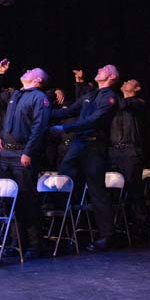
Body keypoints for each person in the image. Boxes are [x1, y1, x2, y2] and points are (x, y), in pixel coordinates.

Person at [52, 64, 122, 251]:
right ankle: (62, 233)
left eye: (105, 68)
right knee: (61, 181)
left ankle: (107, 236)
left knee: (96, 190)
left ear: (112, 77)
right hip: (78, 144)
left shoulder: (110, 97)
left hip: (94, 146)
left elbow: (94, 120)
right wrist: (41, 114)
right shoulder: (90, 95)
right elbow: (68, 111)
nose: (99, 68)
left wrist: (66, 128)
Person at [0, 60, 52, 256]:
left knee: (27, 200)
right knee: (9, 200)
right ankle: (17, 243)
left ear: (38, 79)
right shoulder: (16, 94)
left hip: (22, 154)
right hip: (6, 154)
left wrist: (29, 152)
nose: (27, 69)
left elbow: (39, 128)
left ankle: (35, 245)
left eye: (32, 69)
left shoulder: (39, 98)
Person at [109, 78, 148, 238]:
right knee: (111, 190)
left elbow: (125, 104)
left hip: (130, 152)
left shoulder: (138, 103)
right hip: (113, 152)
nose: (125, 82)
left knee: (134, 191)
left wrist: (107, 93)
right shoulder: (115, 104)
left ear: (137, 88)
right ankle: (116, 227)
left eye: (129, 81)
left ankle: (140, 229)